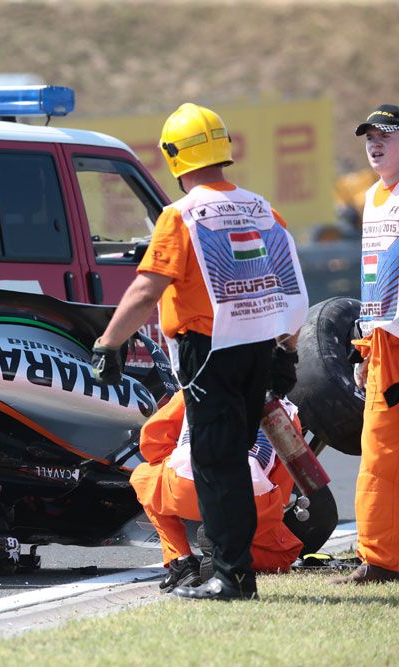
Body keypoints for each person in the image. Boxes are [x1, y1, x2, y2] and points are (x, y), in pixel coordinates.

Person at [89, 103, 308, 600]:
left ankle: (231, 577)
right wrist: (286, 350)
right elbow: (292, 289)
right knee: (232, 458)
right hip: (258, 348)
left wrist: (109, 343)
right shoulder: (261, 209)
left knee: (217, 463)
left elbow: (147, 288)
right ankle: (235, 571)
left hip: (208, 353)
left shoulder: (180, 216)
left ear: (173, 156)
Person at [131, 391, 304, 592]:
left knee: (143, 477)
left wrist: (175, 460)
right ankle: (223, 552)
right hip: (247, 498)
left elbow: (151, 442)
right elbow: (282, 491)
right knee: (286, 554)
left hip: (187, 486)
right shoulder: (286, 411)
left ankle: (181, 560)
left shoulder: (193, 387)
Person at [331, 105, 399, 584]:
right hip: (382, 340)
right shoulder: (373, 197)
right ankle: (381, 558)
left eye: (386, 136)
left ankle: (381, 559)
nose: (374, 144)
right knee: (379, 452)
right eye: (369, 138)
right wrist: (364, 341)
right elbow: (374, 275)